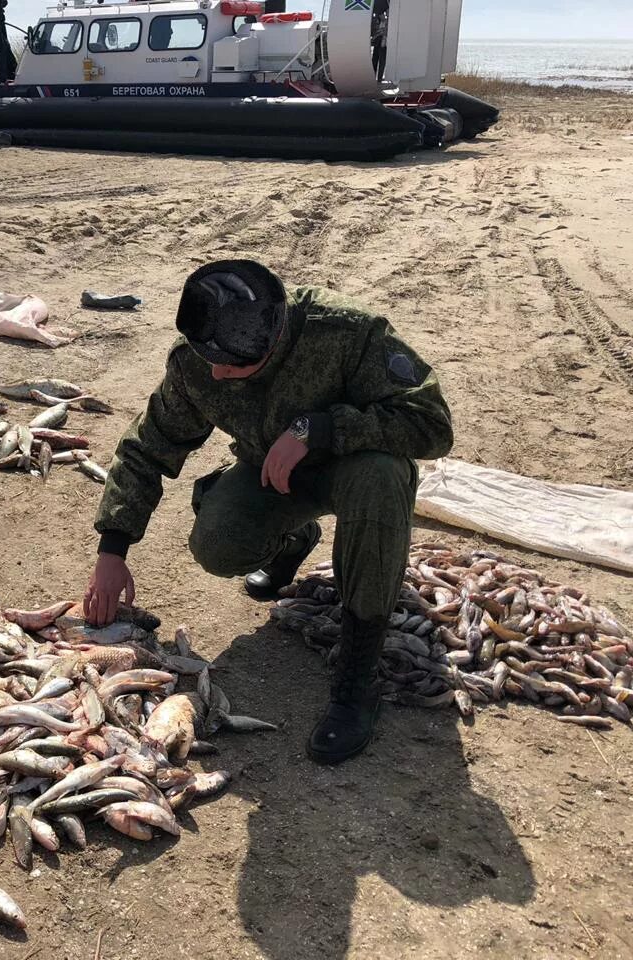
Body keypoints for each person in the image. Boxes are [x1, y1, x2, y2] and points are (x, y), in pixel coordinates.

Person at [83, 261, 453, 765]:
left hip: (357, 470)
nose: (216, 373)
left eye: (232, 366)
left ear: (273, 342)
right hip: (274, 476)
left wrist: (318, 430)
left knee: (379, 480)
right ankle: (293, 542)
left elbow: (431, 424)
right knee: (218, 540)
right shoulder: (200, 361)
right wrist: (113, 548)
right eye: (208, 358)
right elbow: (149, 446)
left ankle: (357, 675)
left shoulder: (347, 332)